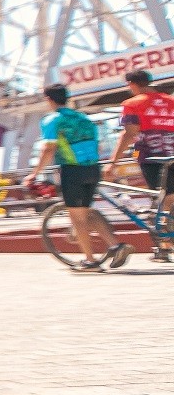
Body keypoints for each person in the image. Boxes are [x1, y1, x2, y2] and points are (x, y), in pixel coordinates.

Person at [34, 83, 129, 273]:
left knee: (77, 218)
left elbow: (49, 148)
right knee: (87, 212)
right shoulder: (84, 118)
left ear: (48, 99)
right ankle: (115, 246)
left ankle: (90, 261)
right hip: (93, 168)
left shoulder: (52, 120)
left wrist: (35, 173)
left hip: (72, 170)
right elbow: (98, 146)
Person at [113, 69, 174, 202]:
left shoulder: (132, 104)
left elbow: (129, 134)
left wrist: (113, 162)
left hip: (151, 158)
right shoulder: (171, 101)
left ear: (132, 84)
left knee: (165, 200)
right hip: (172, 154)